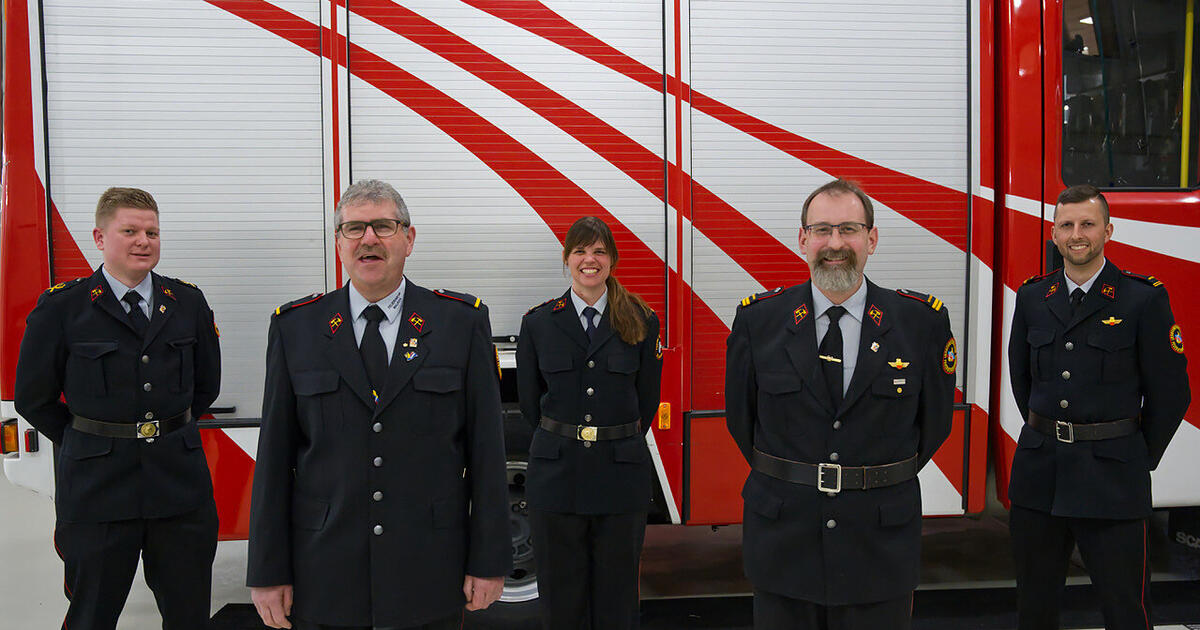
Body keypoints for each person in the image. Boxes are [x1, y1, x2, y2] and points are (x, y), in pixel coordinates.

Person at [247, 179, 511, 630]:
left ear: (409, 239)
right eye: (354, 228)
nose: (368, 238)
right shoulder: (297, 328)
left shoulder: (459, 323)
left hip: (428, 573)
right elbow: (274, 458)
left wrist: (489, 560)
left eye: (384, 226)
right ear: (339, 244)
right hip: (324, 574)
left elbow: (487, 453)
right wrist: (267, 572)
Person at [724, 179, 956, 630]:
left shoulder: (919, 322)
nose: (835, 244)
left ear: (871, 239)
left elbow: (934, 425)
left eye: (849, 229)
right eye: (822, 230)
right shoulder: (759, 320)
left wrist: (867, 478)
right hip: (784, 541)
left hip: (879, 544)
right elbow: (741, 422)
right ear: (803, 239)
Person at [14, 187, 222, 630]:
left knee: (189, 617)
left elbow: (206, 386)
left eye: (152, 232)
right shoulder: (62, 308)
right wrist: (87, 440)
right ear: (100, 237)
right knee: (92, 615)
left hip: (179, 489)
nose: (143, 241)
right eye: (129, 231)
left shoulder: (187, 302)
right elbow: (33, 397)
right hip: (97, 492)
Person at [1007, 184, 1190, 630]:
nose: (1076, 234)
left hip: (1113, 478)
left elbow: (1171, 393)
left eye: (1087, 224)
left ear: (1108, 230)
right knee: (1034, 608)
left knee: (1125, 608)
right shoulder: (1034, 297)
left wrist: (1134, 454)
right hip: (1040, 477)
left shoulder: (1142, 299)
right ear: (1053, 234)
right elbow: (1020, 378)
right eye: (1066, 225)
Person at [515, 216, 663, 629]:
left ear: (612, 260)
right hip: (557, 476)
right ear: (567, 259)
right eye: (580, 250)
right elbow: (531, 404)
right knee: (562, 599)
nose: (590, 260)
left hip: (619, 477)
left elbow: (645, 404)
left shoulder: (641, 320)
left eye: (599, 251)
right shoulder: (539, 323)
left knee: (617, 601)